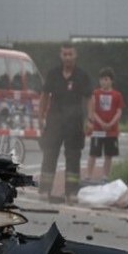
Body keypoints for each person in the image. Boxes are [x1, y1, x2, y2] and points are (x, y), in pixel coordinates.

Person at [38, 44, 92, 203]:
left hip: (74, 121)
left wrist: (90, 119)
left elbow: (90, 97)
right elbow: (44, 95)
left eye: (70, 54)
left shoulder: (82, 75)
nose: (67, 57)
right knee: (49, 154)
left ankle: (72, 192)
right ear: (61, 56)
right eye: (65, 54)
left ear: (75, 56)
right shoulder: (53, 74)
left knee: (74, 156)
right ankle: (45, 189)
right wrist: (41, 116)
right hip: (54, 120)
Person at [85, 67, 125, 181]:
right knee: (93, 153)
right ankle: (88, 175)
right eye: (102, 79)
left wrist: (111, 123)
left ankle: (105, 176)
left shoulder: (117, 95)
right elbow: (93, 110)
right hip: (98, 130)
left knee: (109, 155)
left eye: (106, 79)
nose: (104, 82)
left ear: (111, 80)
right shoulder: (95, 93)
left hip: (112, 131)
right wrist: (100, 122)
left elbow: (119, 111)